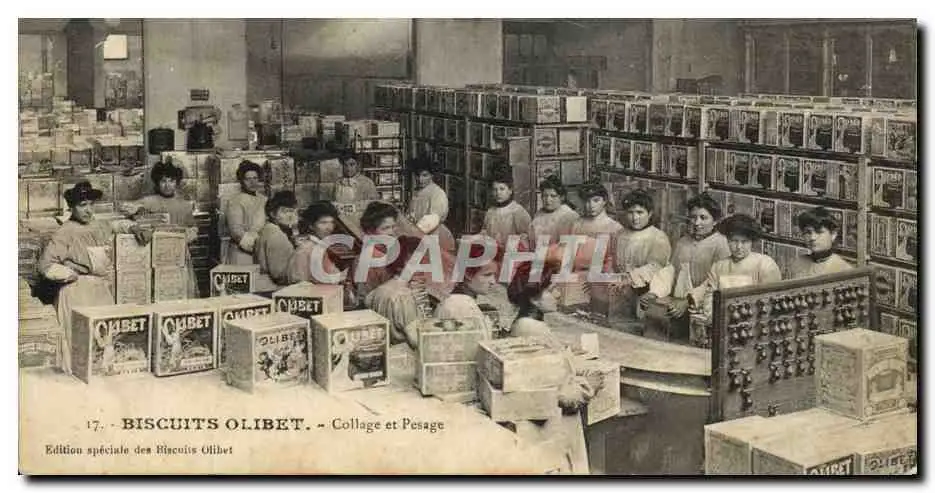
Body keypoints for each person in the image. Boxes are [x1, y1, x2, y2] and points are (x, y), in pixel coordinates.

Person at [38, 181, 151, 374]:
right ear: (72, 207)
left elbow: (115, 225)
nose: (88, 210)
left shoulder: (97, 224)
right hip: (76, 290)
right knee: (79, 341)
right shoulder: (65, 231)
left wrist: (134, 228)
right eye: (83, 205)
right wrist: (71, 272)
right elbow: (45, 266)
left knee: (105, 337)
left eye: (91, 204)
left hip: (99, 288)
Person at [505, 257, 595, 475]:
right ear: (534, 299)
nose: (558, 294)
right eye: (552, 289)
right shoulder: (535, 330)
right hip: (548, 430)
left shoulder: (523, 324)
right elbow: (562, 394)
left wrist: (565, 352)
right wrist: (589, 385)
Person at [640, 193, 731, 336]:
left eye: (703, 218)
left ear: (715, 221)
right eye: (693, 217)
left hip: (706, 309)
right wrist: (654, 292)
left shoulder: (721, 244)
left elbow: (715, 281)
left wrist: (688, 301)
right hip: (677, 306)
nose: (697, 223)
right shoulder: (683, 242)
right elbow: (670, 271)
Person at [690, 214, 782, 325]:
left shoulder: (765, 264)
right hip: (722, 322)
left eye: (744, 242)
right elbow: (710, 298)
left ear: (751, 242)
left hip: (753, 324)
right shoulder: (719, 266)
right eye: (734, 241)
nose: (738, 247)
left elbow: (769, 302)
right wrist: (714, 317)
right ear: (728, 240)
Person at [127, 161, 199, 298]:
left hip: (179, 253)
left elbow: (193, 228)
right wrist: (138, 212)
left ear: (176, 183)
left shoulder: (184, 205)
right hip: (155, 254)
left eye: (171, 181)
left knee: (179, 290)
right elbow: (129, 214)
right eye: (163, 181)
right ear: (157, 183)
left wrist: (185, 235)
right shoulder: (148, 201)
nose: (167, 185)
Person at [612, 190, 672, 313]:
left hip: (647, 294)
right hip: (621, 291)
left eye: (640, 212)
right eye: (630, 212)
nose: (635, 218)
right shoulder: (620, 234)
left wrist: (630, 278)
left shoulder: (657, 236)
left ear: (649, 214)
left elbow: (656, 266)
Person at [434, 244, 501, 329]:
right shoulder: (462, 305)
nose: (493, 281)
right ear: (468, 274)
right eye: (487, 275)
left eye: (495, 275)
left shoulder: (455, 299)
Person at [789, 207, 853, 279]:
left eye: (819, 232)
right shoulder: (798, 263)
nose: (812, 237)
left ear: (833, 235)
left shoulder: (843, 270)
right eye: (808, 232)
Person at [406, 158, 455, 252]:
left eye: (425, 175)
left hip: (436, 238)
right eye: (418, 175)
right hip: (420, 237)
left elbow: (432, 220)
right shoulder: (417, 192)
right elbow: (411, 215)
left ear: (432, 175)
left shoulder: (437, 193)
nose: (420, 179)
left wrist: (412, 235)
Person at [253, 191, 299, 291]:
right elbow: (279, 274)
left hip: (264, 286)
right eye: (285, 211)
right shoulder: (276, 235)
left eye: (293, 211)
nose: (290, 215)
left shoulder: (268, 229)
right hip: (275, 289)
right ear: (272, 214)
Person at [224, 161, 267, 265]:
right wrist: (256, 247)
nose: (252, 182)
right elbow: (236, 231)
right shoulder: (235, 201)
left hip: (261, 251)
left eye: (255, 178)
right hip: (242, 252)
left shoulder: (264, 199)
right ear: (241, 181)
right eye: (248, 179)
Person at [480, 169, 533, 249]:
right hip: (492, 252)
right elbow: (484, 234)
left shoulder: (518, 211)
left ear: (510, 190)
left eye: (502, 189)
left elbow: (528, 238)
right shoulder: (490, 212)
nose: (498, 193)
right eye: (495, 189)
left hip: (512, 253)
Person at [530, 176, 579, 247]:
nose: (548, 200)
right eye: (545, 196)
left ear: (561, 197)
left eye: (553, 196)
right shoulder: (539, 214)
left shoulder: (569, 215)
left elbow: (569, 245)